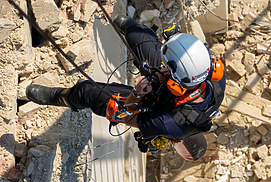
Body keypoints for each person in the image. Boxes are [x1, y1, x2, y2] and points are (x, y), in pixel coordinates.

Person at [25, 15, 226, 161]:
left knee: (89, 92)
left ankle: (59, 97)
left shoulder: (169, 123)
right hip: (174, 87)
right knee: (141, 37)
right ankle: (129, 26)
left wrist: (137, 94)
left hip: (154, 104)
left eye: (166, 67)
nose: (162, 67)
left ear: (175, 80)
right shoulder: (214, 78)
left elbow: (126, 117)